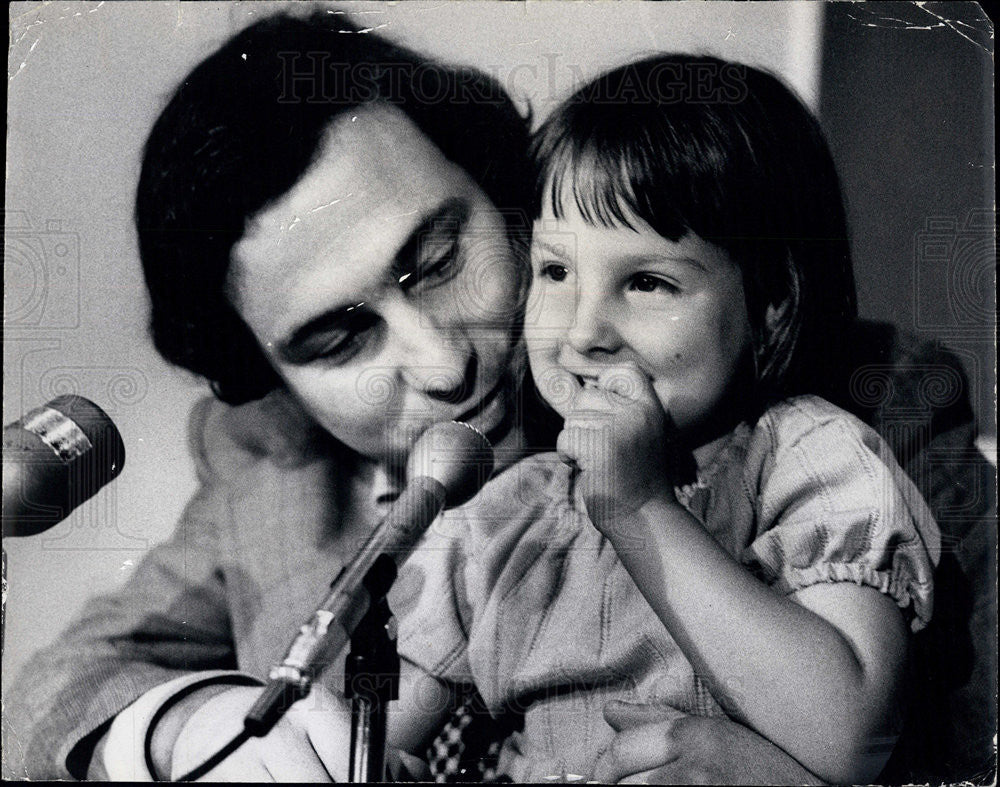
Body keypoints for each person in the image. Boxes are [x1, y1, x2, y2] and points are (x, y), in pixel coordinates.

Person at [396, 55, 942, 783]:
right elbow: (357, 732)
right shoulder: (505, 519)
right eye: (557, 272)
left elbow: (848, 737)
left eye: (647, 281)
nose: (584, 331)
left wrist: (638, 504)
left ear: (772, 302)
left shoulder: (809, 458)